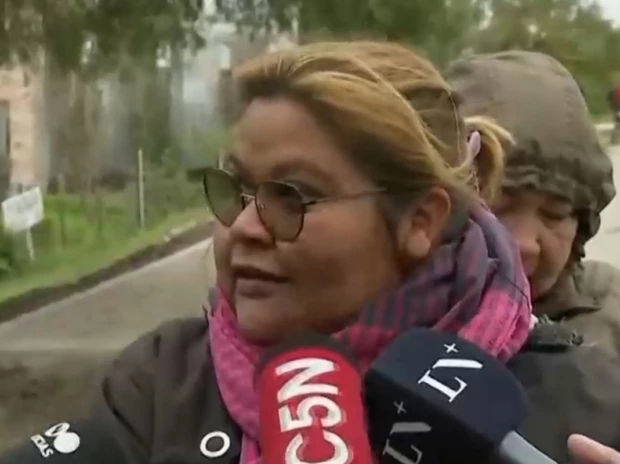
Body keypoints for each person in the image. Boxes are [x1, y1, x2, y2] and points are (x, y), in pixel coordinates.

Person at [1, 41, 618, 464]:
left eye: (291, 196)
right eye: (235, 189)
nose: (245, 228)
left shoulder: (586, 402)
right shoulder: (164, 385)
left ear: (420, 220)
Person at [446, 50, 620, 457]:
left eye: (555, 214)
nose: (525, 243)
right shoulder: (392, 319)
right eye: (498, 207)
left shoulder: (611, 314)